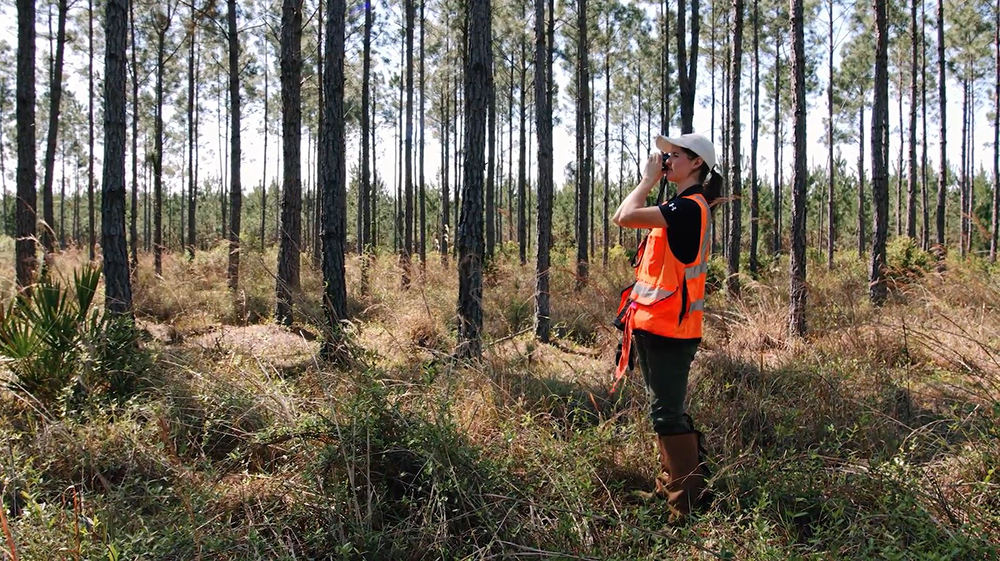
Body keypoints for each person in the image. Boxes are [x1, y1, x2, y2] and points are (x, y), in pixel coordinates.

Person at [611, 133, 722, 521]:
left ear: (696, 164)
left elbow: (622, 216)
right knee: (664, 412)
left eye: (674, 155)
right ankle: (675, 486)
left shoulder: (689, 207)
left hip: (671, 332)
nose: (665, 160)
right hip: (655, 327)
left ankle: (685, 506)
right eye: (665, 155)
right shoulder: (679, 205)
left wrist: (645, 181)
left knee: (667, 415)